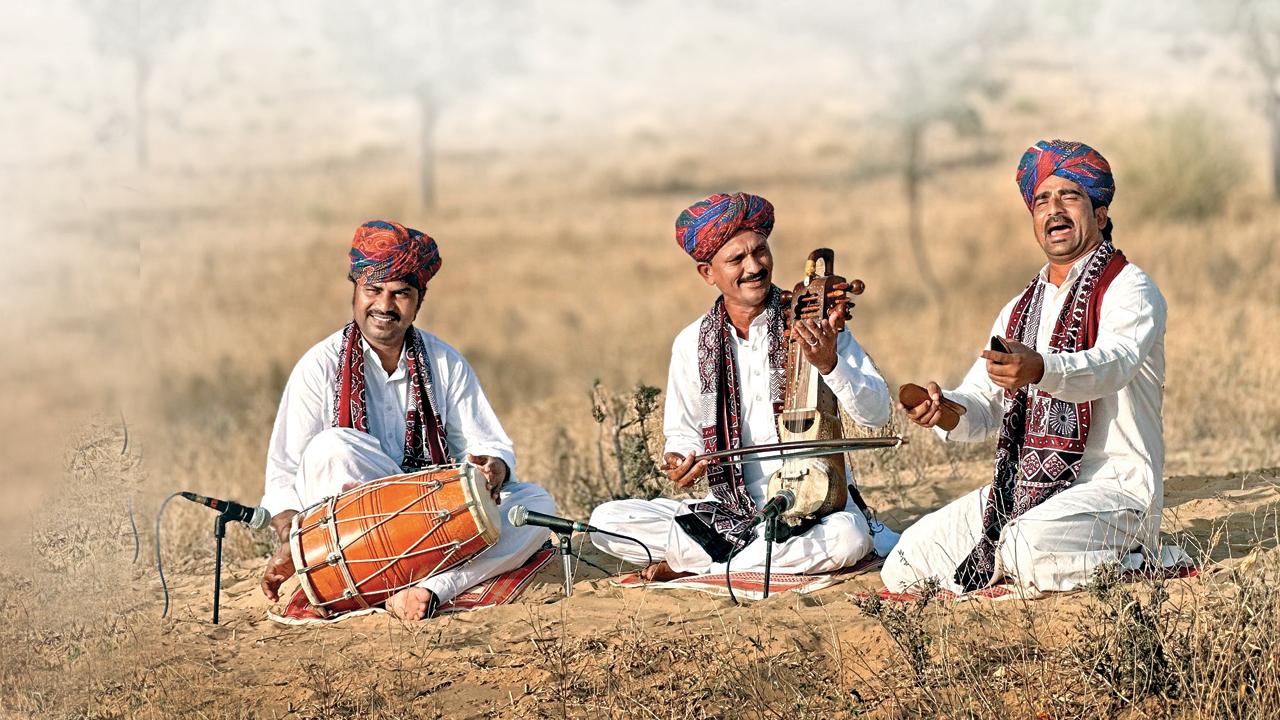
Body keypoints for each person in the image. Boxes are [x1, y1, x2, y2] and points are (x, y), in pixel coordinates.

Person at [882, 140, 1179, 595]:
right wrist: (944, 411)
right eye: (1042, 200)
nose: (1054, 210)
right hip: (1027, 491)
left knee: (1023, 545)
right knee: (905, 558)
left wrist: (1041, 368)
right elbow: (983, 404)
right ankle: (1015, 573)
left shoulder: (1130, 288)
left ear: (1100, 214)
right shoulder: (1019, 310)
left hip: (1117, 491)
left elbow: (1111, 366)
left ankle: (1143, 560)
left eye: (1070, 196)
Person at [258, 220, 556, 619]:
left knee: (535, 504)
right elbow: (283, 476)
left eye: (400, 293)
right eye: (373, 290)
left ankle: (429, 589)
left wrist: (492, 469)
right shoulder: (319, 366)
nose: (384, 305)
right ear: (355, 291)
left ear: (419, 301)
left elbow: (490, 447)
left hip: (434, 521)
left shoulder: (444, 361)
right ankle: (421, 579)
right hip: (355, 537)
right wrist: (293, 540)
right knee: (333, 448)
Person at [590, 192, 894, 581]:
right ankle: (732, 560)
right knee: (606, 521)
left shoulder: (815, 323)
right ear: (707, 273)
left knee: (848, 538)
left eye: (760, 252)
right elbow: (682, 434)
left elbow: (877, 413)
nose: (754, 267)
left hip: (811, 508)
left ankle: (699, 563)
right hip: (729, 509)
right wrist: (682, 459)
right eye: (736, 259)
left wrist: (830, 363)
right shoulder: (690, 342)